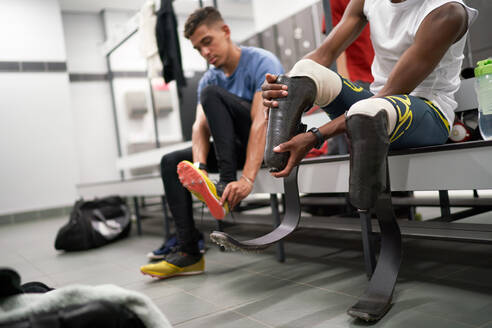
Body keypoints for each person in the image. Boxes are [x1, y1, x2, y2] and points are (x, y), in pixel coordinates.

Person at [140, 6, 284, 279]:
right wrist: (200, 168)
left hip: (265, 144)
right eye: (198, 49)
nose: (205, 52)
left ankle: (223, 185)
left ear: (226, 32)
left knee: (211, 94)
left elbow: (260, 122)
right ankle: (188, 252)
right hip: (234, 147)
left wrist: (247, 179)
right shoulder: (210, 77)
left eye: (207, 42)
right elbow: (199, 127)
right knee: (171, 162)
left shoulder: (262, 62)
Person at [261, 0, 477, 178]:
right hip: (376, 104)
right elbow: (324, 54)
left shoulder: (446, 11)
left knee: (369, 110)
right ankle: (278, 160)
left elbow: (392, 92)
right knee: (303, 70)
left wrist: (315, 137)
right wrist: (282, 88)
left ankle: (373, 221)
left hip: (429, 115)